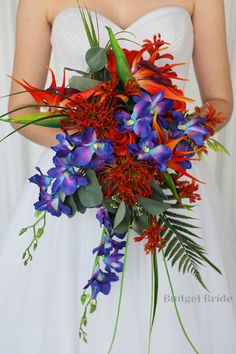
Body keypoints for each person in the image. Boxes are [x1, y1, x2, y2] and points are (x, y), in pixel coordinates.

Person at [0, 0, 235, 353]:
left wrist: (163, 141)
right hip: (78, 185)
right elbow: (21, 109)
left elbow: (219, 100)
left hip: (167, 179)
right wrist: (91, 146)